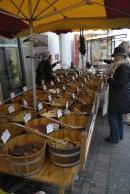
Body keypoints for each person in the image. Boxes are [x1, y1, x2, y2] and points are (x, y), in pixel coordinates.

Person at [106, 46, 130, 143]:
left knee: (112, 116)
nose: (114, 58)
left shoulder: (123, 67)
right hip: (120, 97)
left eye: (115, 56)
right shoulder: (123, 65)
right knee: (118, 116)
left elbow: (120, 85)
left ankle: (114, 138)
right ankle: (119, 136)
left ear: (119, 56)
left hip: (118, 98)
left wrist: (109, 80)